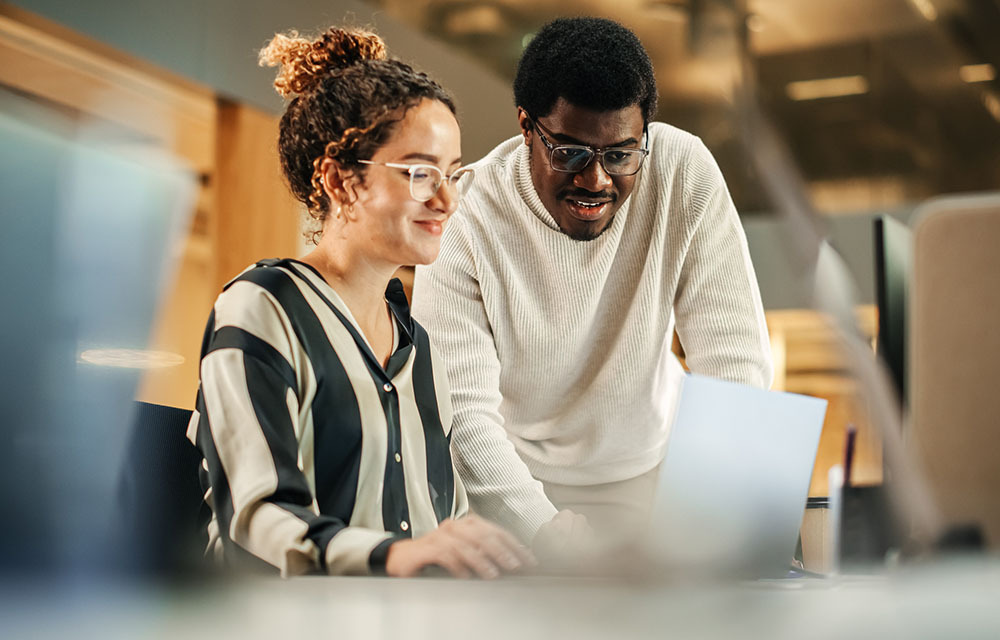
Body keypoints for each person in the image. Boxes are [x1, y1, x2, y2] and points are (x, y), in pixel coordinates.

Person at [186, 26, 533, 578]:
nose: (446, 200)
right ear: (340, 181)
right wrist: (392, 556)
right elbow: (255, 519)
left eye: (453, 174)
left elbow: (445, 524)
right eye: (421, 173)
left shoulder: (421, 351)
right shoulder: (263, 306)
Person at [412, 17, 773, 546]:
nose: (596, 180)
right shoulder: (466, 216)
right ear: (525, 126)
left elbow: (734, 360)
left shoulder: (682, 171)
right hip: (513, 487)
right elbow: (463, 415)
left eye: (620, 155)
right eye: (570, 153)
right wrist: (546, 533)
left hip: (653, 474)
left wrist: (709, 519)